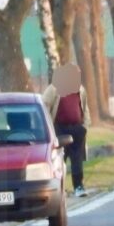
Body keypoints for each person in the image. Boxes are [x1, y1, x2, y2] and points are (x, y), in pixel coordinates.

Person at [42, 63, 91, 197]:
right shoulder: (53, 89)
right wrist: (48, 128)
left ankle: (78, 186)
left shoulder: (80, 90)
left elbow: (85, 108)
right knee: (59, 159)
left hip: (76, 128)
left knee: (77, 159)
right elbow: (44, 107)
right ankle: (59, 189)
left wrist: (84, 127)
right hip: (59, 129)